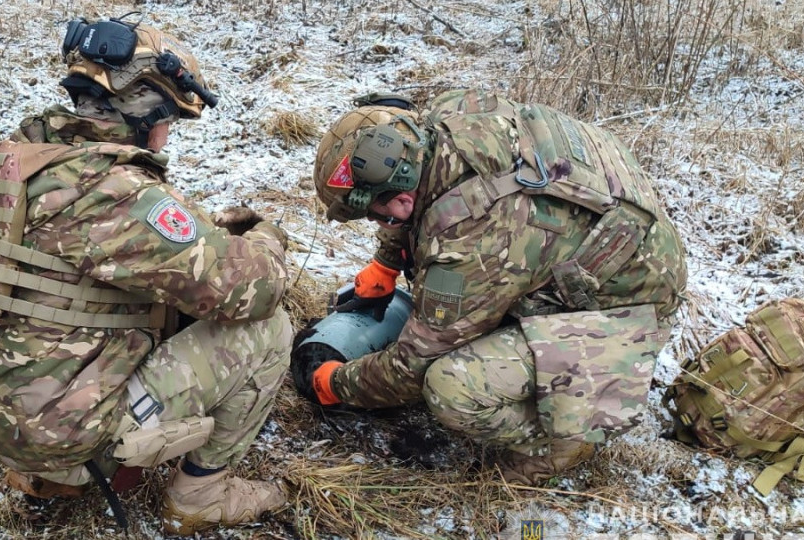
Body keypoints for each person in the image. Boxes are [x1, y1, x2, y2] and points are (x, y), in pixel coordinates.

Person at [0, 15, 292, 535]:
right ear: (144, 106)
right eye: (169, 118)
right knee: (269, 329)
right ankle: (200, 494)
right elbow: (253, 289)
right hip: (64, 434)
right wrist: (265, 240)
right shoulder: (112, 190)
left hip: (0, 412)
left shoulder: (17, 163)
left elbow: (76, 262)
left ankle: (48, 469)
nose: (167, 133)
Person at [293, 89, 688, 483]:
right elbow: (415, 199)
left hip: (626, 313)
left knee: (451, 385)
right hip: (614, 235)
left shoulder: (470, 245)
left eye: (374, 216)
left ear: (398, 203)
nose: (378, 224)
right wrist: (386, 262)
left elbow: (411, 369)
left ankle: (561, 439)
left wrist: (335, 384)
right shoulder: (446, 115)